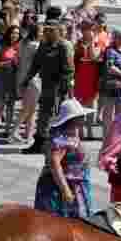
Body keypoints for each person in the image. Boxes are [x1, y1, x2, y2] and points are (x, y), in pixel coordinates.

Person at [35, 99, 94, 219]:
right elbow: (54, 164)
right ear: (73, 119)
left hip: (76, 185)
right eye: (80, 116)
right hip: (60, 187)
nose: (83, 117)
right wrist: (65, 190)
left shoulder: (72, 133)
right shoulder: (61, 138)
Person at [21, 19, 71, 155]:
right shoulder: (43, 45)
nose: (47, 32)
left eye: (51, 30)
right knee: (44, 114)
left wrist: (63, 89)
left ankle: (55, 144)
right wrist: (27, 79)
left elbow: (68, 69)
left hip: (58, 86)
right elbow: (36, 64)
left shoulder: (63, 46)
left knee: (55, 115)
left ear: (57, 31)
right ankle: (39, 143)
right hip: (46, 84)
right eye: (46, 29)